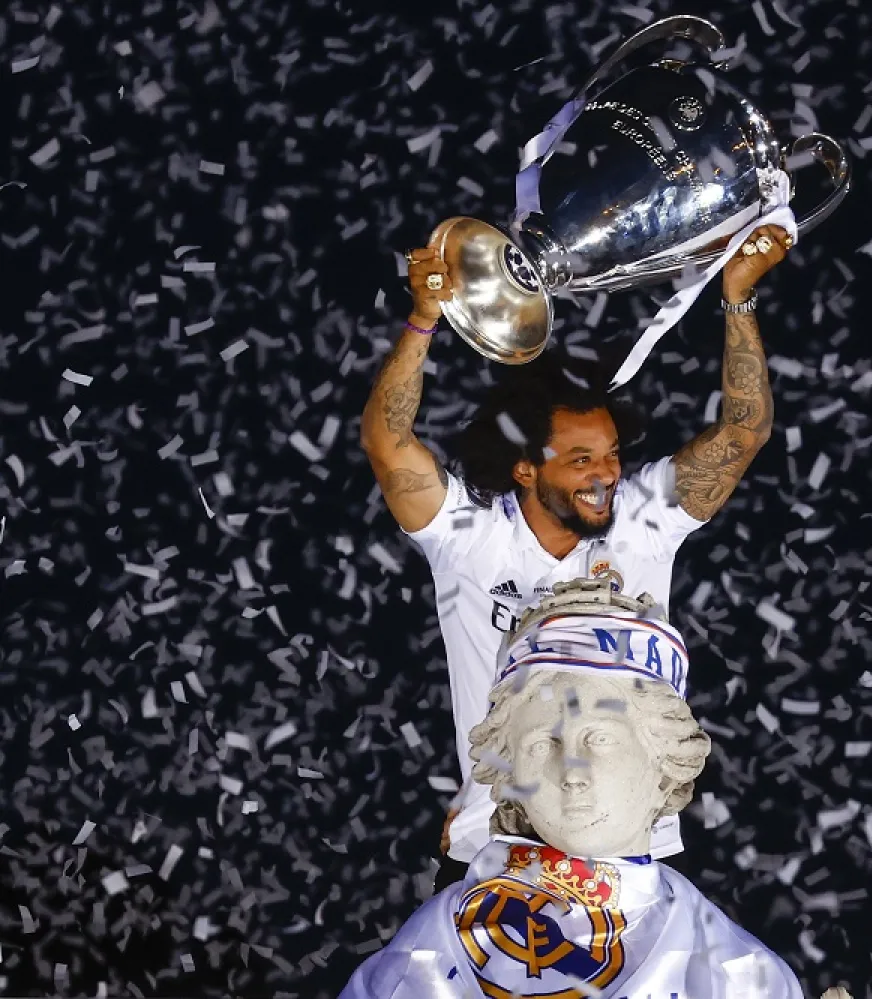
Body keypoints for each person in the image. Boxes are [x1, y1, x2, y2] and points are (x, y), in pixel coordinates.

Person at [358, 224, 793, 886]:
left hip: (632, 844)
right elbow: (388, 442)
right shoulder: (470, 536)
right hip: (499, 844)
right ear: (526, 470)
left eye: (612, 454)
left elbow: (745, 430)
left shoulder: (643, 520)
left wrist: (737, 296)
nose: (605, 474)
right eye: (582, 459)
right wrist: (423, 319)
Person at [337, 581, 808, 999]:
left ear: (666, 764)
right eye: (543, 742)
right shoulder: (422, 956)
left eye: (600, 738)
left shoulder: (741, 976)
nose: (572, 771)